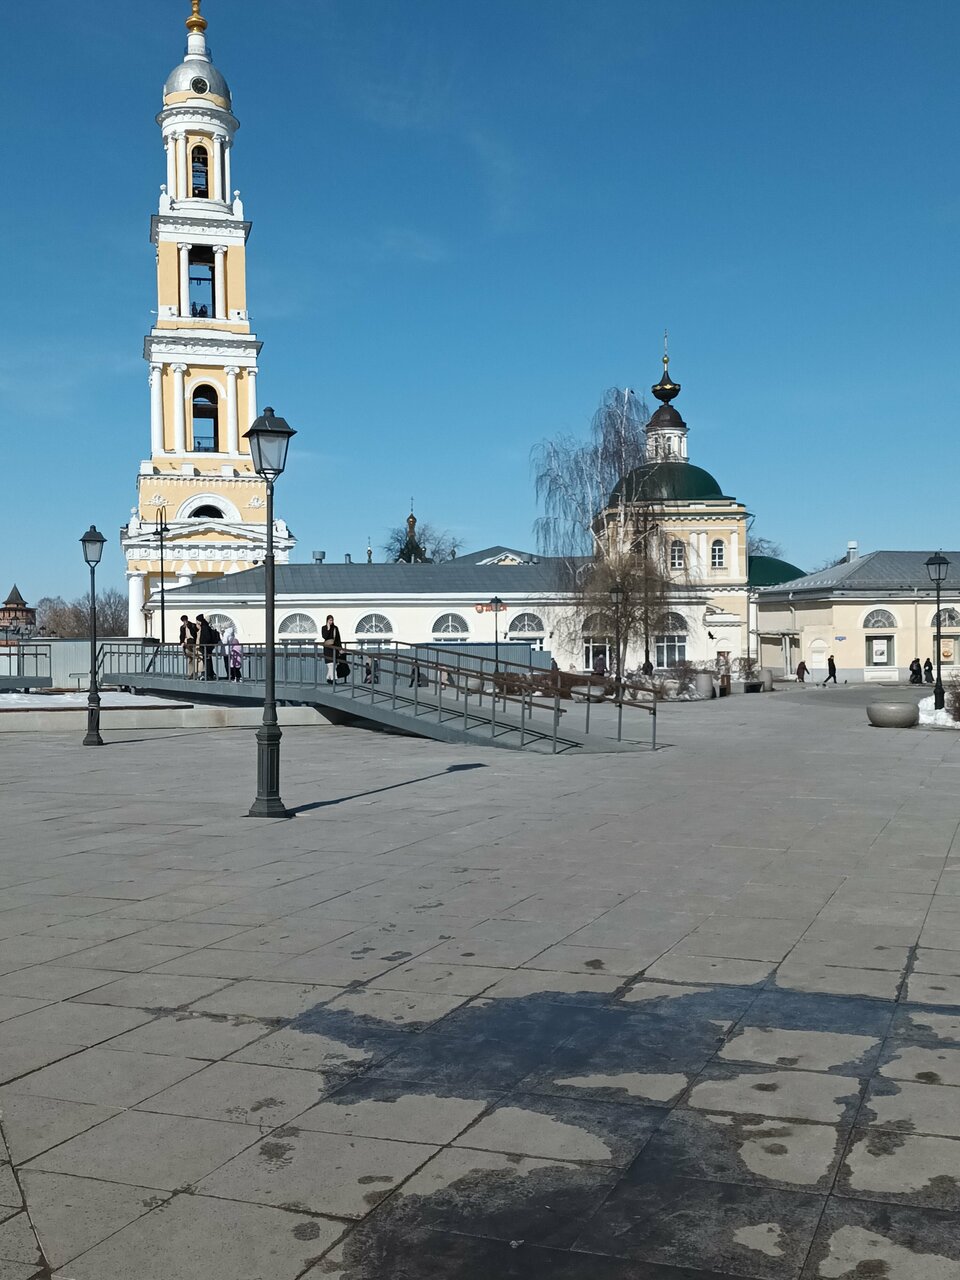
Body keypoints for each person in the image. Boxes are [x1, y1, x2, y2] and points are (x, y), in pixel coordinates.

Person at [196, 614, 217, 681]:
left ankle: (208, 675)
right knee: (208, 660)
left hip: (205, 647)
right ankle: (210, 674)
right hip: (207, 647)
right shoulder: (206, 626)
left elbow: (207, 637)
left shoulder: (204, 627)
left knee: (207, 661)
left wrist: (203, 644)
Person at [321, 614, 341, 684]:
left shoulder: (335, 628)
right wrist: (328, 629)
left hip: (334, 648)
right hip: (327, 649)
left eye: (332, 620)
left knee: (334, 665)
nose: (331, 622)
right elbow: (324, 636)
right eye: (330, 620)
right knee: (330, 664)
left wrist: (340, 649)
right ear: (327, 620)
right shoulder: (324, 628)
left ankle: (328, 678)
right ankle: (334, 679)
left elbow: (338, 639)